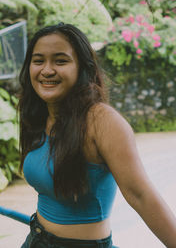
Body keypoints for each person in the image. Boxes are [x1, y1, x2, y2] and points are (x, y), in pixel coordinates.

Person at [18, 23, 176, 248]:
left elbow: (141, 196)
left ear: (82, 67)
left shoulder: (102, 121)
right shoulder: (37, 114)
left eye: (60, 60)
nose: (47, 70)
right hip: (36, 240)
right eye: (38, 60)